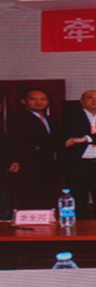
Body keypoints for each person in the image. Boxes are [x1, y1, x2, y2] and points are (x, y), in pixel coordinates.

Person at [8, 88, 57, 209]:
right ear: (23, 101)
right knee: (31, 203)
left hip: (50, 168)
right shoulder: (18, 118)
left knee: (48, 203)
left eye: (43, 99)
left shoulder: (50, 119)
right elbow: (26, 143)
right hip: (29, 169)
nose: (38, 102)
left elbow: (51, 141)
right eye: (33, 99)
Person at [60, 89, 96, 219]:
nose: (94, 100)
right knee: (78, 201)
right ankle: (79, 229)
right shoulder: (71, 116)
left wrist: (86, 138)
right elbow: (70, 135)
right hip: (79, 165)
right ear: (82, 101)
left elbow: (79, 138)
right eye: (90, 97)